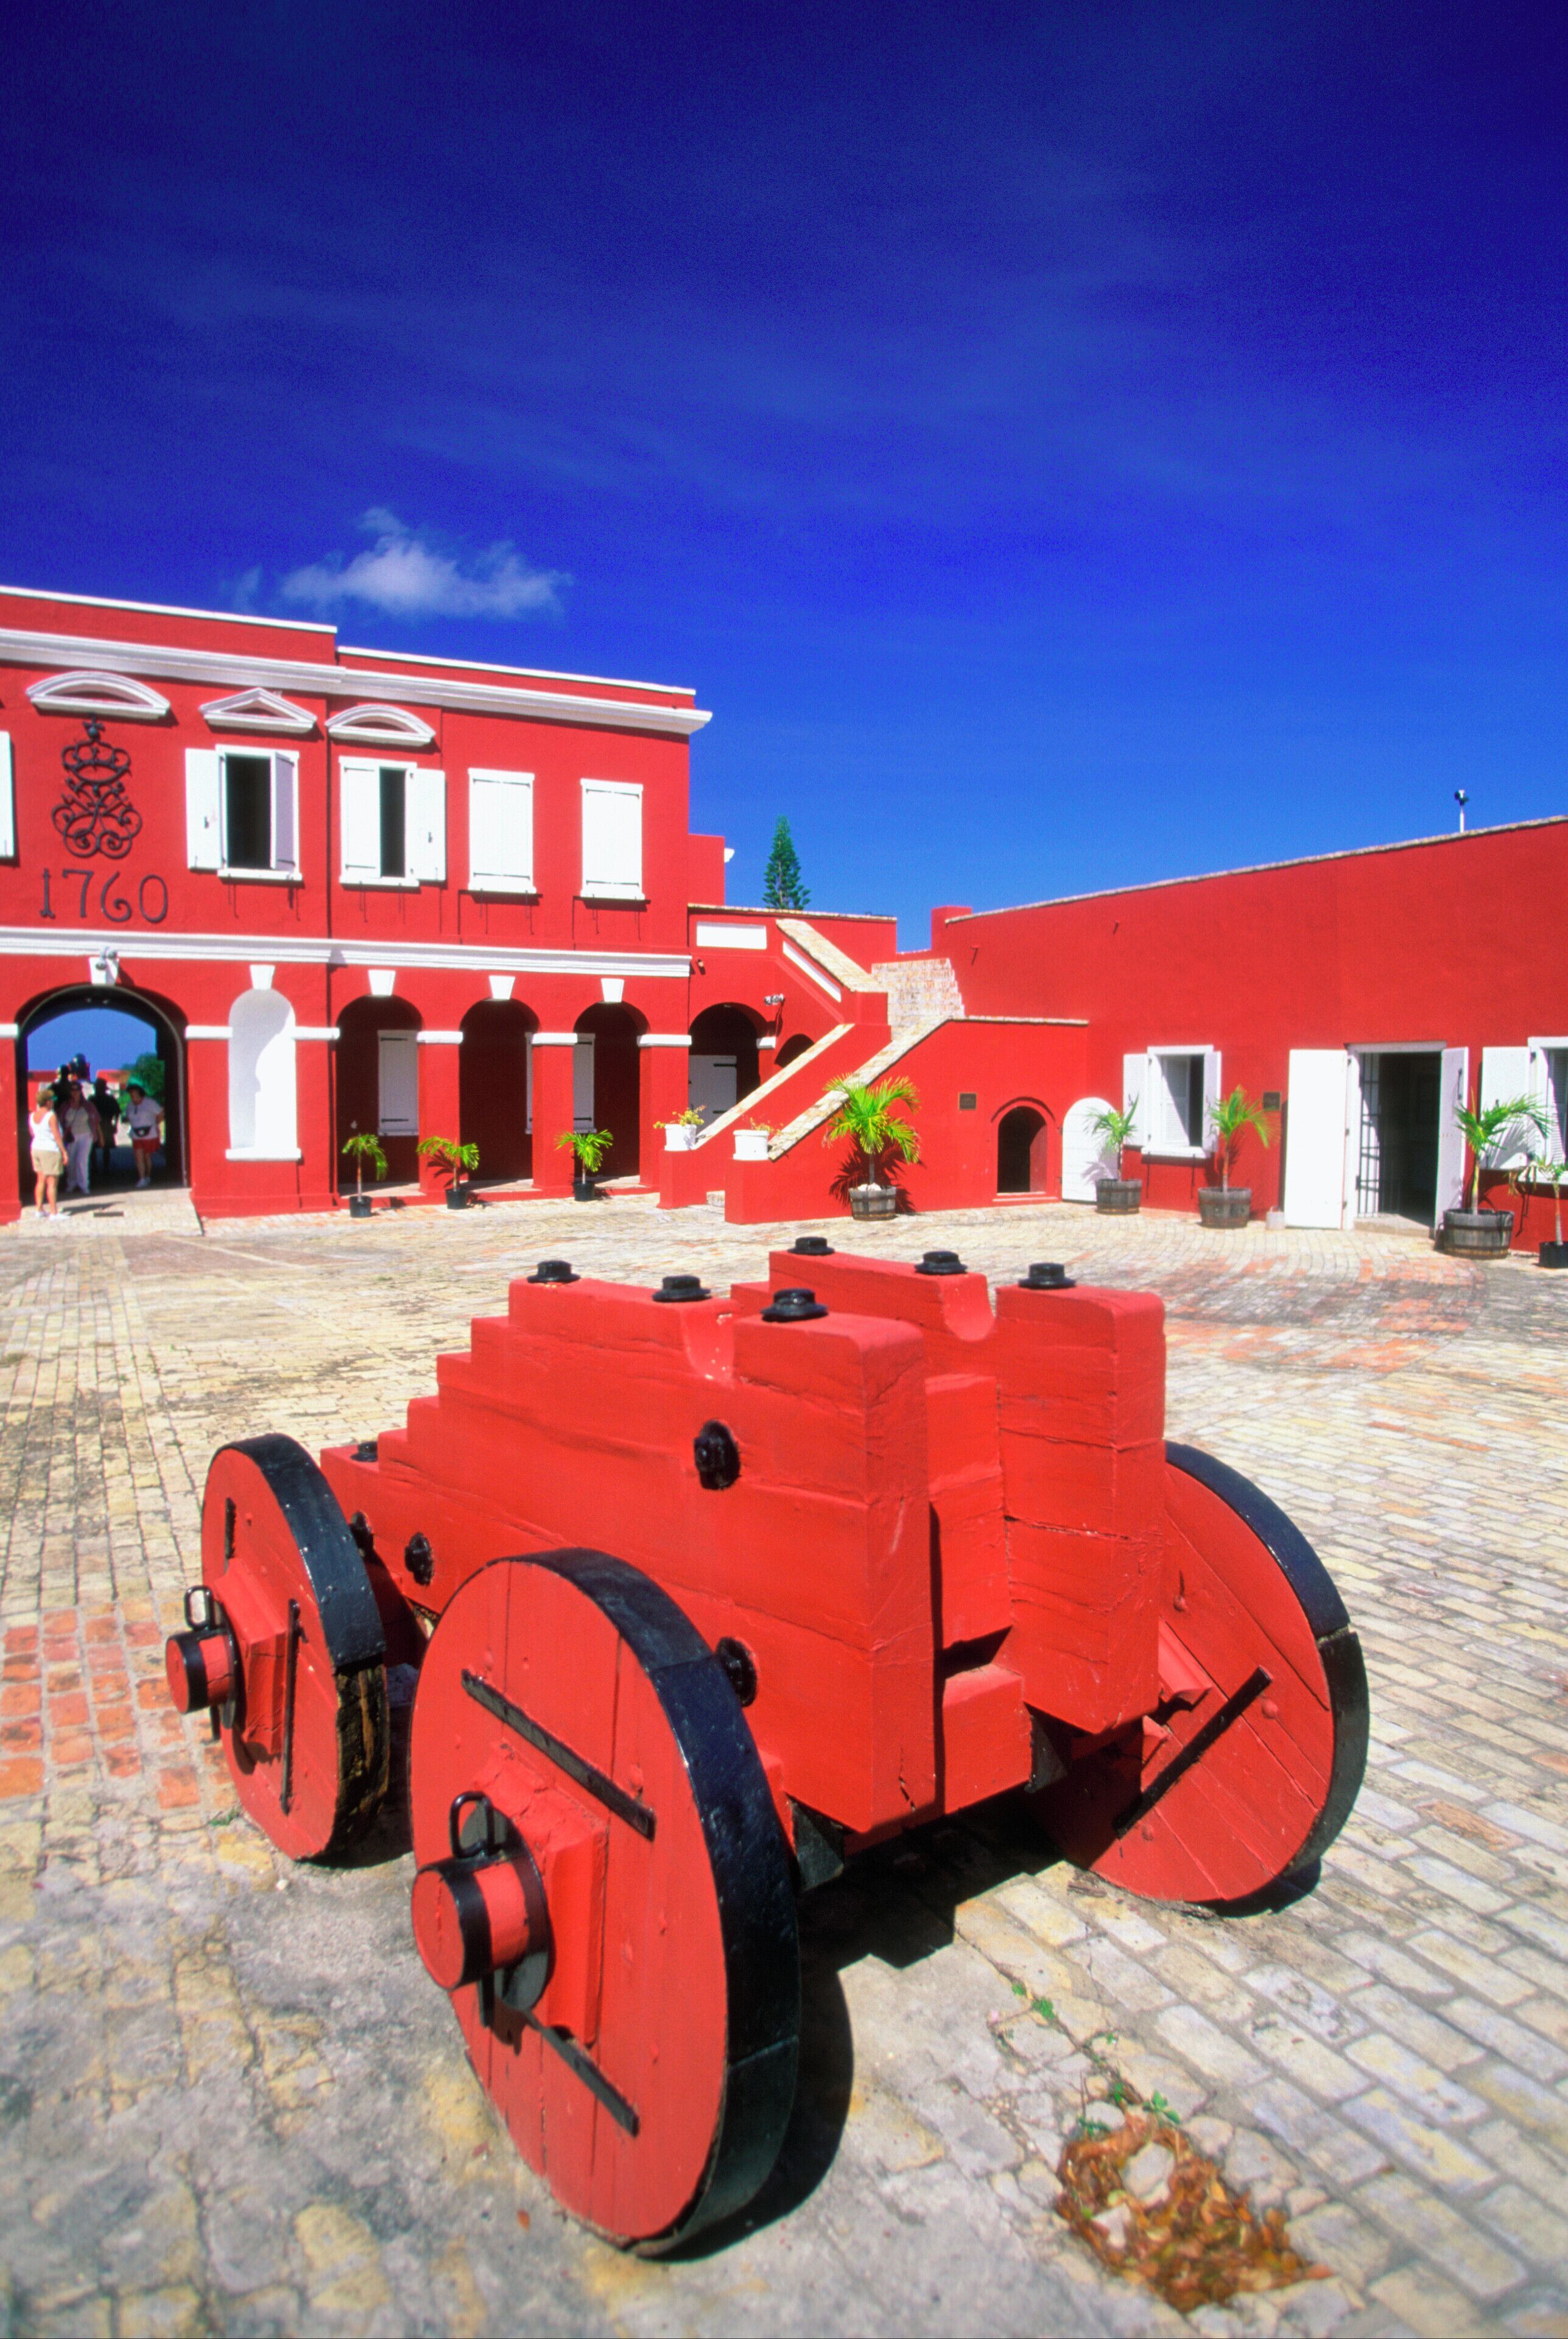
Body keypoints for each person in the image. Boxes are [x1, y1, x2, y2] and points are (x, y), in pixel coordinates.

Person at [59, 1082, 100, 1198]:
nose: (75, 1093)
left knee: (82, 1161)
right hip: (71, 1136)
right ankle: (71, 1184)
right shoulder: (65, 1106)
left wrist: (100, 1137)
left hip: (86, 1135)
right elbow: (60, 1122)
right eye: (73, 1091)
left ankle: (84, 1185)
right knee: (71, 1161)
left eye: (77, 1091)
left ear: (80, 1092)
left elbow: (96, 1121)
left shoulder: (88, 1106)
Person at [29, 1086, 63, 1219]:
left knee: (40, 1180)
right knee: (52, 1183)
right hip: (50, 1149)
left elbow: (32, 1133)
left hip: (36, 1148)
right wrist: (64, 1151)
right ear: (48, 1102)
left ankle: (39, 1209)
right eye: (52, 1100)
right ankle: (54, 1212)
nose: (53, 1102)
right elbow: (57, 1136)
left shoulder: (32, 1116)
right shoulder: (51, 1116)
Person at [123, 1081, 162, 1187]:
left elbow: (161, 1112)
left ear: (140, 1093)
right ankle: (142, 1178)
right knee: (138, 1156)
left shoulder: (150, 1103)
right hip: (136, 1134)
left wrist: (157, 1122)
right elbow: (128, 1117)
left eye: (134, 1093)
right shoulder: (130, 1105)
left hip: (150, 1134)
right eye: (131, 1094)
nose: (132, 1096)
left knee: (147, 1156)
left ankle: (148, 1176)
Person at [93, 1077, 119, 1177]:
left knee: (102, 1148)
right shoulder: (108, 1099)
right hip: (102, 1125)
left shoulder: (93, 1099)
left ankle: (99, 1167)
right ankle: (99, 1167)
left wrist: (115, 1124)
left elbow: (117, 1113)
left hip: (103, 1124)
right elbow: (117, 1113)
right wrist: (115, 1125)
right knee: (100, 1148)